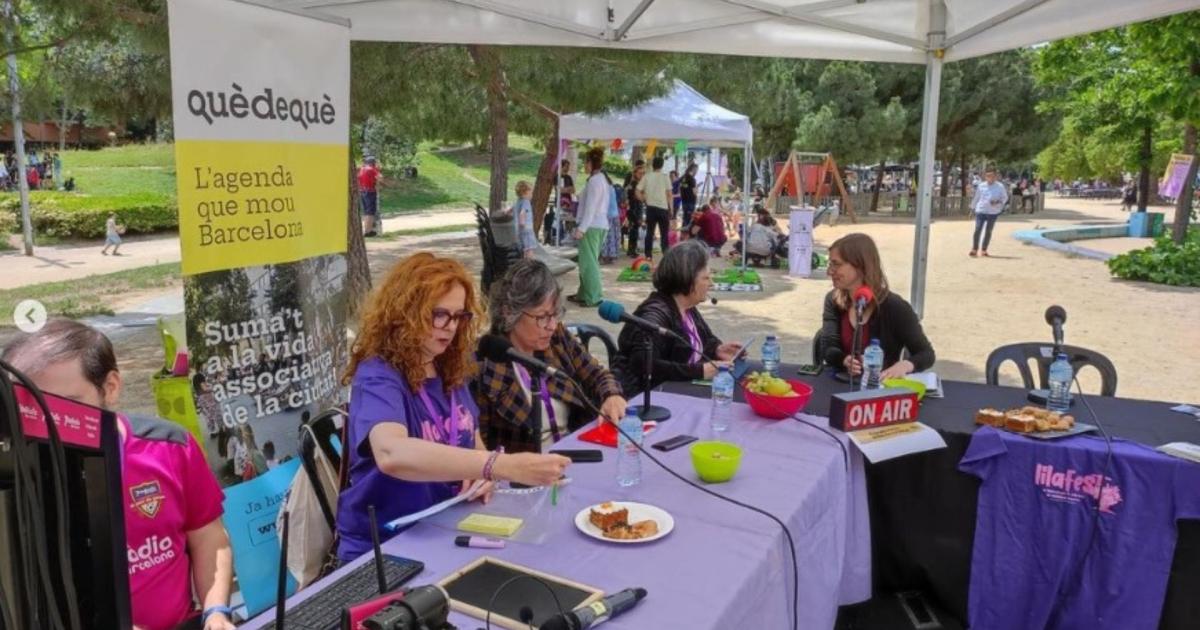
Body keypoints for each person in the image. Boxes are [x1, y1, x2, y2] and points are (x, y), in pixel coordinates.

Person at [1, 320, 235, 630]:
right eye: (32, 410)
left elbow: (208, 537)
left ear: (110, 387)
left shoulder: (171, 446)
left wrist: (216, 611)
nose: (51, 424)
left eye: (67, 408)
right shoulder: (13, 484)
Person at [335, 253, 570, 561]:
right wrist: (497, 465)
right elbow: (391, 453)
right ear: (406, 313)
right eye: (439, 314)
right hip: (387, 544)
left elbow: (469, 436)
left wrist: (483, 476)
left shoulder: (447, 364)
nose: (450, 327)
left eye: (459, 316)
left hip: (447, 524)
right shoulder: (378, 375)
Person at [475, 260, 626, 453]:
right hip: (526, 467)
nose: (552, 326)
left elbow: (596, 374)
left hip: (578, 452)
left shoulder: (557, 339)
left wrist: (612, 395)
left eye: (555, 315)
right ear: (509, 312)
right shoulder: (485, 364)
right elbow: (480, 448)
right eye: (542, 317)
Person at [612, 240, 743, 394]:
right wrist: (699, 371)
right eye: (706, 278)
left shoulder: (687, 307)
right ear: (687, 279)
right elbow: (643, 364)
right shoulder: (654, 315)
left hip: (676, 390)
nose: (711, 284)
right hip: (649, 397)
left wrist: (717, 349)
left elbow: (699, 342)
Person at [819, 233, 935, 381]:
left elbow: (926, 354)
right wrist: (843, 360)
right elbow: (828, 347)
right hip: (839, 382)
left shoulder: (896, 307)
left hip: (879, 386)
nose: (829, 271)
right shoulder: (834, 300)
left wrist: (905, 365)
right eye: (830, 264)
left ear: (860, 265)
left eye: (836, 264)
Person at [567, 147, 611, 307]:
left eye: (585, 162)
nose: (584, 165)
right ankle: (584, 294)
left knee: (588, 263)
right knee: (587, 261)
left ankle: (593, 297)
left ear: (591, 163)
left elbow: (591, 208)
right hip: (598, 225)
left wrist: (582, 228)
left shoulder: (594, 181)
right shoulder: (601, 179)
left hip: (592, 226)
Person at [636, 156, 672, 260]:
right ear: (662, 165)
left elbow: (637, 191)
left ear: (653, 165)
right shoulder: (665, 177)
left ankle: (648, 256)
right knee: (664, 233)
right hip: (663, 208)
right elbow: (669, 194)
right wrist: (671, 209)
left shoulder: (647, 176)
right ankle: (666, 254)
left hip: (651, 208)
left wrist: (643, 199)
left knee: (650, 232)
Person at [970, 168, 1008, 257]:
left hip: (993, 212)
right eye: (988, 176)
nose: (990, 177)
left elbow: (1005, 198)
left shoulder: (1000, 186)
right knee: (978, 229)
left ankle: (984, 249)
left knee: (988, 231)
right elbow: (976, 197)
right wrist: (972, 208)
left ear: (995, 177)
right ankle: (974, 249)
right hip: (981, 210)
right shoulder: (981, 185)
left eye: (992, 176)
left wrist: (998, 202)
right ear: (985, 177)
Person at [623, 160, 646, 257]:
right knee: (634, 229)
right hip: (633, 209)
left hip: (637, 207)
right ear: (635, 173)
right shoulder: (633, 184)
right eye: (640, 173)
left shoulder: (638, 183)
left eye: (643, 173)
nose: (642, 175)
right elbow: (636, 197)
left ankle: (632, 249)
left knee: (635, 228)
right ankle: (631, 250)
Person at [358, 156, 382, 237]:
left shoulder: (362, 169)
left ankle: (367, 229)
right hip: (370, 192)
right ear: (373, 163)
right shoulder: (372, 169)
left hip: (363, 191)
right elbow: (380, 178)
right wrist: (378, 170)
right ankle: (368, 231)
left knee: (366, 212)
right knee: (370, 212)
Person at [513, 180, 537, 258]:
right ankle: (530, 262)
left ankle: (524, 262)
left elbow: (511, 210)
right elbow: (522, 213)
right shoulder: (526, 202)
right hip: (527, 229)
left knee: (524, 249)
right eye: (531, 193)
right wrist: (522, 222)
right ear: (526, 192)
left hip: (519, 230)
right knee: (529, 249)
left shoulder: (518, 202)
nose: (532, 195)